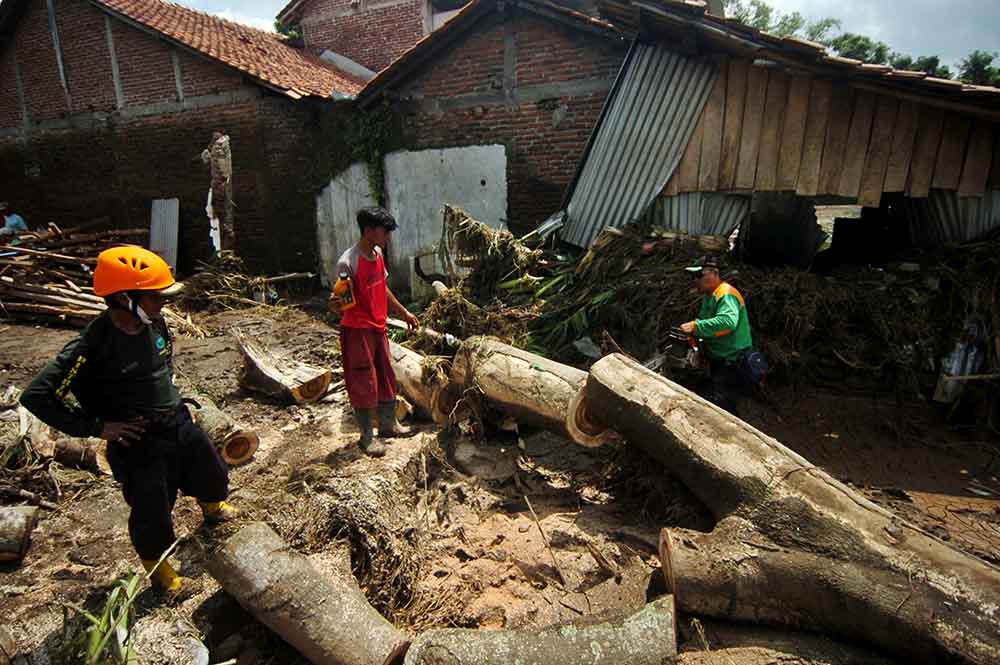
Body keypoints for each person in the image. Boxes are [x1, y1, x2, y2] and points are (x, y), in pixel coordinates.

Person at [19, 246, 237, 600]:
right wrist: (97, 427)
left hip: (177, 421)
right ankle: (162, 573)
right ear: (124, 297)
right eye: (156, 296)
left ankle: (213, 509)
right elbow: (37, 396)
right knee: (153, 510)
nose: (163, 303)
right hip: (140, 441)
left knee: (210, 470)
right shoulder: (91, 345)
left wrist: (169, 395)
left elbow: (163, 361)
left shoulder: (154, 322)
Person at [329, 206, 420, 457]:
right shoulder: (348, 262)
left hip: (378, 327)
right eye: (385, 232)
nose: (388, 238)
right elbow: (341, 303)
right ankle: (367, 437)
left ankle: (389, 425)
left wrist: (404, 313)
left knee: (385, 375)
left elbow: (383, 287)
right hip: (358, 331)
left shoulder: (378, 253)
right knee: (363, 380)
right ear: (369, 231)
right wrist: (338, 299)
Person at [679, 261, 764, 415]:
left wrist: (695, 327)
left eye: (700, 275)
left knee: (723, 405)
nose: (696, 280)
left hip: (732, 361)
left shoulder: (726, 294)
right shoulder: (709, 296)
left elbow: (727, 323)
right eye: (694, 277)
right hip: (719, 358)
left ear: (715, 273)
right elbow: (709, 323)